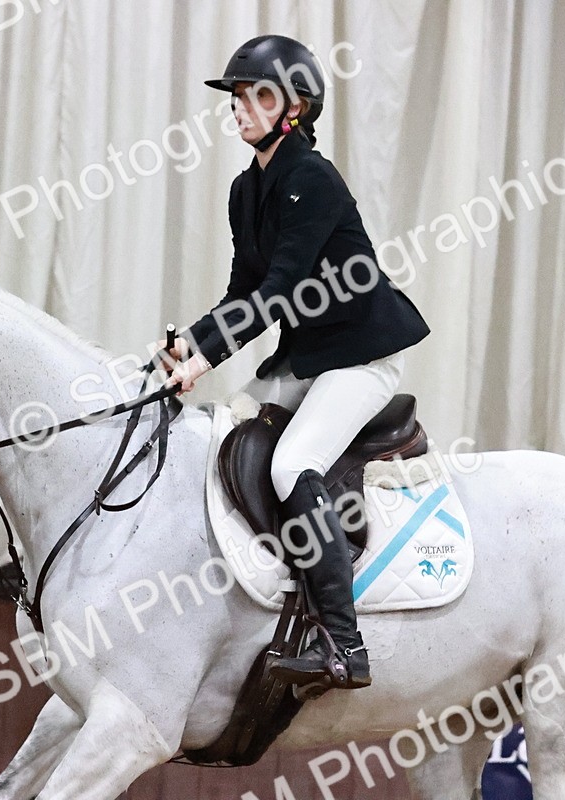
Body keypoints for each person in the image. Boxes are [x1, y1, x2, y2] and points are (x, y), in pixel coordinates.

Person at [153, 35, 431, 689]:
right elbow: (243, 292)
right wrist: (189, 343)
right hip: (308, 356)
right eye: (237, 97)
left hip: (360, 355)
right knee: (226, 432)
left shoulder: (313, 179)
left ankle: (344, 643)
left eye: (257, 95)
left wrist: (206, 357)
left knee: (290, 465)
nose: (240, 107)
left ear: (295, 108)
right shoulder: (245, 190)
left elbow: (279, 292)